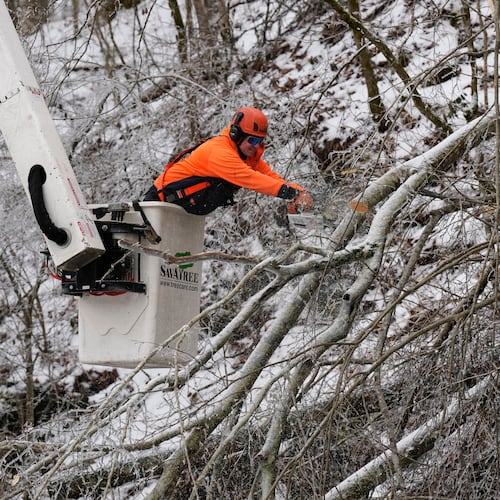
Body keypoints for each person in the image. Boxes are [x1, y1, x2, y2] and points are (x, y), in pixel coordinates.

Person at [144, 106, 314, 215]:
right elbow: (250, 179)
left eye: (260, 141)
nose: (256, 146)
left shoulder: (246, 156)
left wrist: (301, 193)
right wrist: (291, 194)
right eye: (252, 140)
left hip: (183, 211)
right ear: (236, 134)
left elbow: (270, 177)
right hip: (160, 202)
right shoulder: (219, 152)